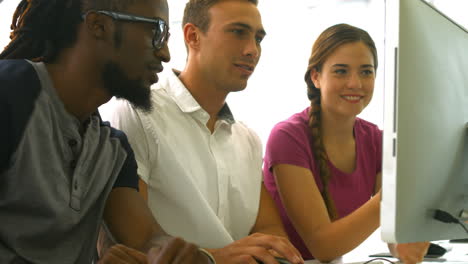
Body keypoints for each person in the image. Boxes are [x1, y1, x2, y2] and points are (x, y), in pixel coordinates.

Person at [0, 0, 212, 263]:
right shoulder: (10, 94)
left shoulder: (112, 149)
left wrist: (173, 254)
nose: (166, 54)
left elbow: (146, 237)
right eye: (157, 32)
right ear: (98, 25)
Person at [103, 0, 304, 264]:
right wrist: (216, 259)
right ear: (193, 36)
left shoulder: (248, 139)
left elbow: (272, 234)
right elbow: (132, 245)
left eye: (258, 38)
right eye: (237, 32)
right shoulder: (136, 113)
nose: (252, 50)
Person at [262, 23, 430, 264]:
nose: (355, 83)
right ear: (316, 76)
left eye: (366, 72)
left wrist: (405, 240)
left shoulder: (376, 140)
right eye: (341, 71)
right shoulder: (287, 137)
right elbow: (323, 246)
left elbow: (394, 231)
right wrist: (390, 197)